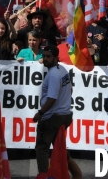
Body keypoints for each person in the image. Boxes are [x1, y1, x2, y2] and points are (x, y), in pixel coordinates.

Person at [32, 45, 82, 179]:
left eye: (49, 56)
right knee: (59, 149)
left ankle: (42, 176)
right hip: (65, 115)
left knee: (42, 148)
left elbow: (52, 98)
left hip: (52, 118)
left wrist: (40, 113)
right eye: (44, 56)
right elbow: (70, 91)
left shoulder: (53, 74)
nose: (46, 59)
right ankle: (78, 175)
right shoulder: (63, 70)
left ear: (56, 58)